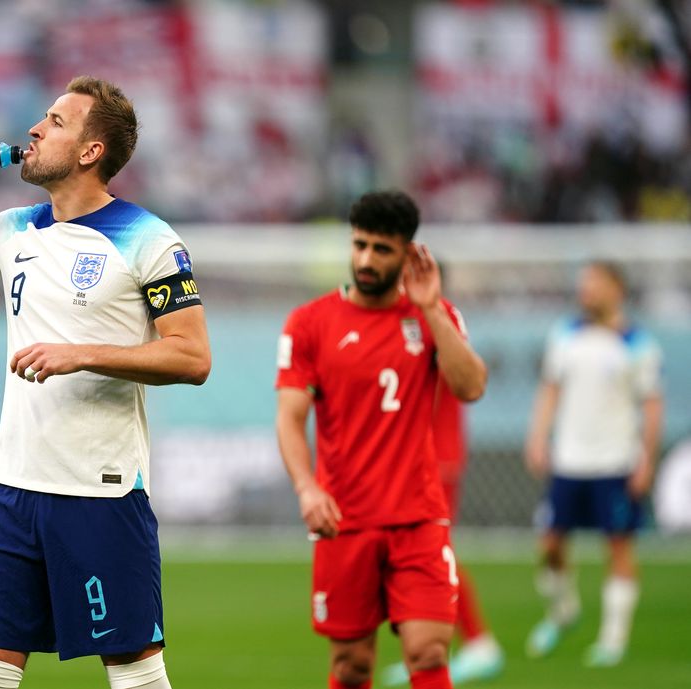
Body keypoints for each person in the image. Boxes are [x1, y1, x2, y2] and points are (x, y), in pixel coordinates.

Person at [0, 76, 211, 689]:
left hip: (100, 491)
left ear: (91, 152)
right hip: (11, 489)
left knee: (137, 677)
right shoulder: (13, 229)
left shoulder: (149, 239)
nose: (35, 128)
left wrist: (81, 353)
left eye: (57, 122)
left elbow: (192, 357)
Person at [275, 190, 488, 689]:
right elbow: (289, 418)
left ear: (408, 253)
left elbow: (471, 386)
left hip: (418, 517)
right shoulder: (310, 323)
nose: (367, 259)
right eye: (360, 245)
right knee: (352, 668)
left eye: (382, 249)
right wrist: (307, 488)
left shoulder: (437, 317)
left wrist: (431, 308)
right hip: (344, 522)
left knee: (429, 651)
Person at [524, 261, 663, 667]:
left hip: (615, 462)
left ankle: (613, 638)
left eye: (595, 284)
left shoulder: (637, 344)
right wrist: (538, 438)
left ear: (616, 289)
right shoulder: (565, 335)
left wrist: (646, 460)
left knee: (618, 546)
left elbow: (652, 406)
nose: (586, 292)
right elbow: (550, 390)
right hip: (569, 460)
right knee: (549, 544)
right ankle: (564, 610)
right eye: (583, 284)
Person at [381, 373, 504, 686]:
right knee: (418, 554)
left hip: (432, 458)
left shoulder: (430, 328)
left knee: (433, 553)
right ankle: (428, 650)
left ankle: (476, 642)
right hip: (425, 457)